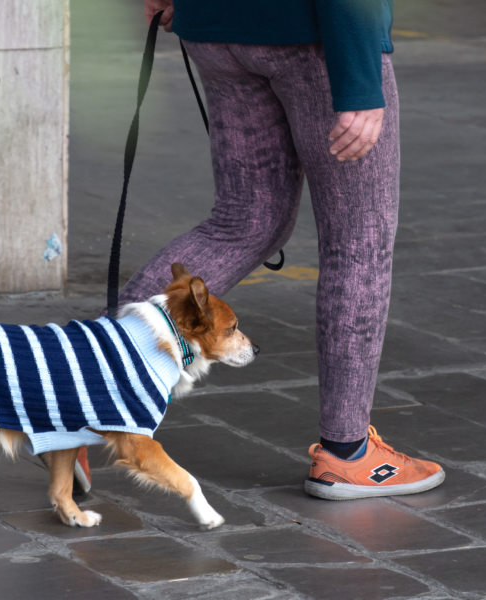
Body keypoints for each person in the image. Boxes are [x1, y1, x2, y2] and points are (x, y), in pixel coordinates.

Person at [89, 0, 444, 500]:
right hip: (315, 38)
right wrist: (361, 79)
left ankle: (75, 390)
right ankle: (348, 454)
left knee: (244, 221)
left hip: (216, 31)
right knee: (358, 242)